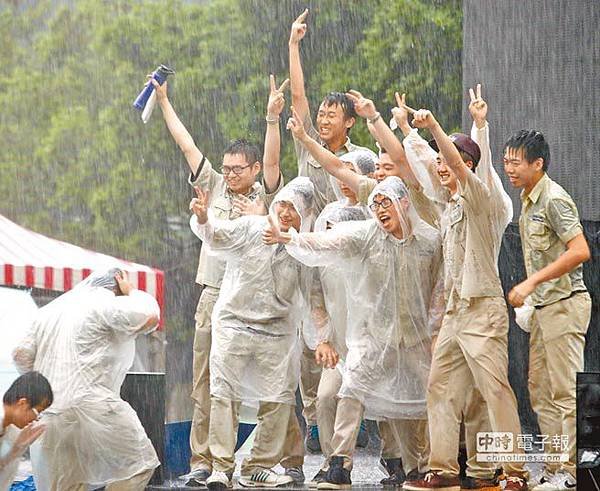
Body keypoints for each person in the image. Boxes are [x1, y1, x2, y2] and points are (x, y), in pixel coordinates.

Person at [264, 176, 444, 490]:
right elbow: (328, 242)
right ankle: (339, 465)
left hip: (416, 340)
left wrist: (435, 332)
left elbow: (440, 290)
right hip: (375, 337)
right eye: (375, 204)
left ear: (404, 202)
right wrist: (289, 239)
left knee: (419, 402)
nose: (380, 210)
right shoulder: (368, 235)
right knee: (351, 390)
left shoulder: (430, 240)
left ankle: (421, 466)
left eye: (386, 202)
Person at [153, 74, 286, 486]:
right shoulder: (212, 185)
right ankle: (205, 461)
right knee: (206, 381)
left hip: (260, 300)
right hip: (215, 295)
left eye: (235, 169)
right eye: (225, 168)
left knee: (275, 384)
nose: (228, 174)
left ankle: (271, 461)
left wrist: (271, 120)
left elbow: (273, 163)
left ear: (251, 169)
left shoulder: (266, 195)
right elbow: (186, 144)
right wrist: (163, 103)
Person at [401, 97, 527, 491]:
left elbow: (457, 163)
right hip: (457, 312)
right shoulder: (450, 205)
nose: (441, 166)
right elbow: (421, 165)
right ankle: (443, 470)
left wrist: (439, 126)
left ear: (468, 165)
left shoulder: (482, 200)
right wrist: (406, 129)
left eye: (448, 160)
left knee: (494, 390)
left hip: (483, 309)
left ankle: (515, 473)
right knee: (439, 385)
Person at [189, 177, 316, 489]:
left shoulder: (304, 249)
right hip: (234, 324)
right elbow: (215, 236)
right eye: (282, 204)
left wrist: (321, 339)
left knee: (279, 400)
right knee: (223, 395)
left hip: (277, 333)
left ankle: (258, 465)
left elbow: (315, 297)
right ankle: (221, 466)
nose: (285, 212)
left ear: (305, 216)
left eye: (294, 209)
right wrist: (204, 218)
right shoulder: (251, 228)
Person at [12, 269, 161, 490]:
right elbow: (149, 317)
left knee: (65, 485)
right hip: (94, 407)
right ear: (117, 285)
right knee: (139, 463)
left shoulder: (49, 312)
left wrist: (50, 379)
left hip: (49, 414)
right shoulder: (106, 303)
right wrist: (133, 293)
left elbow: (20, 355)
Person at [503, 130, 591, 491]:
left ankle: (573, 473)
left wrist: (530, 283)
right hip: (543, 310)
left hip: (564, 306)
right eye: (506, 160)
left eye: (516, 162)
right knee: (540, 391)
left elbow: (579, 250)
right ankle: (556, 468)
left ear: (537, 164)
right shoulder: (528, 199)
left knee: (566, 391)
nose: (509, 168)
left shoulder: (554, 199)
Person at [0, 372, 52, 490]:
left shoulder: (11, 431)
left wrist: (16, 450)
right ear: (22, 403)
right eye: (38, 411)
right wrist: (14, 450)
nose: (37, 418)